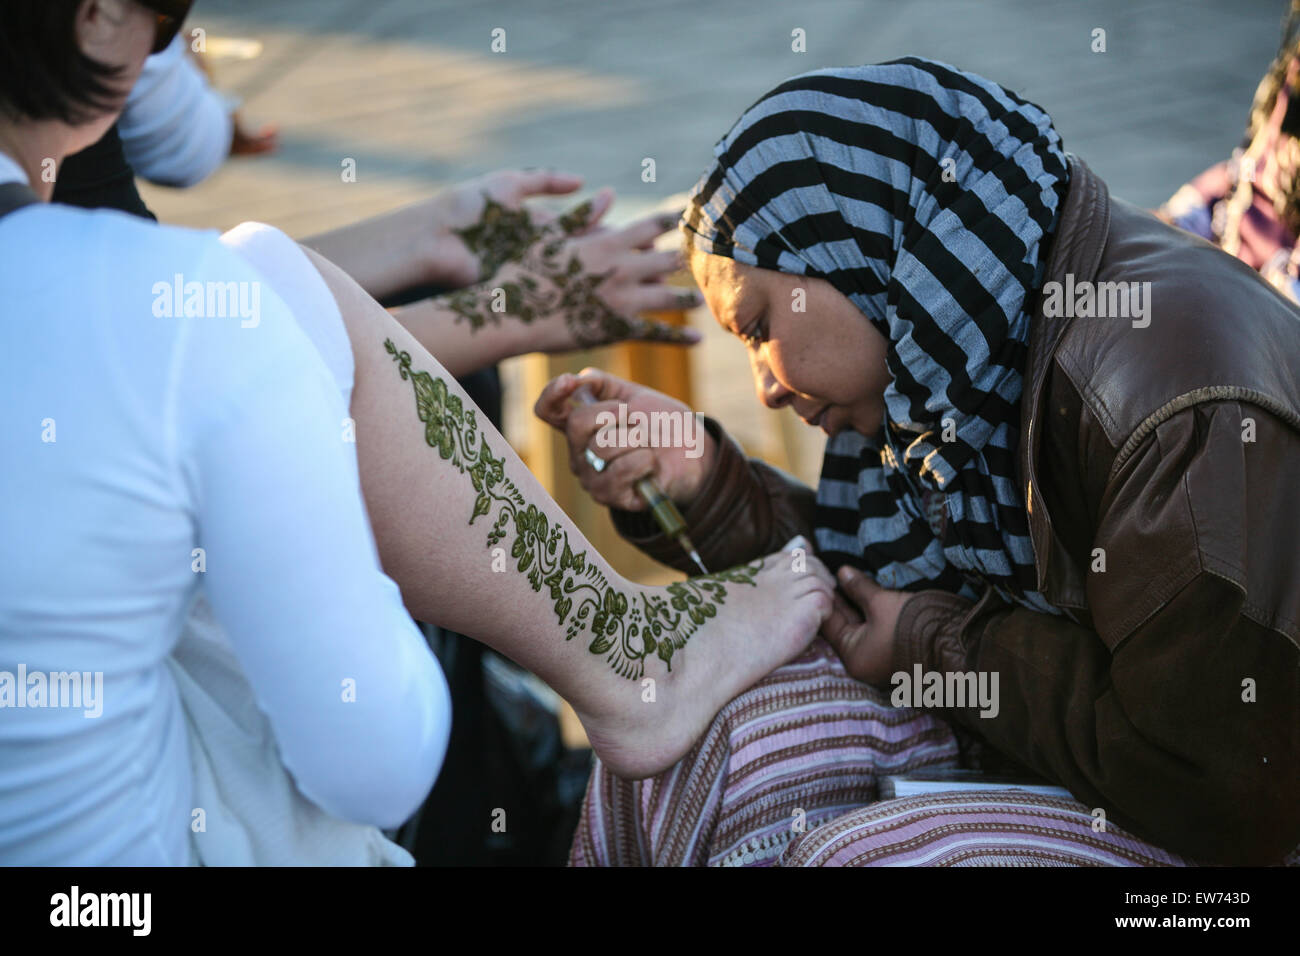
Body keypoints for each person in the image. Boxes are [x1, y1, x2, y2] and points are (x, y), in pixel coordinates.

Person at [0, 0, 834, 864]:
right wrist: (361, 579)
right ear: (99, 15)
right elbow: (378, 769)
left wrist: (435, 242)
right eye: (167, 18)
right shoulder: (182, 311)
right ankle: (629, 660)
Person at [538, 56, 1300, 866]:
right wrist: (705, 483)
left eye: (759, 328)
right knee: (674, 753)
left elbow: (1218, 782)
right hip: (1105, 765)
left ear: (852, 243)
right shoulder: (960, 356)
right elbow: (881, 584)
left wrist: (938, 648)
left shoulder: (1174, 409)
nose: (765, 387)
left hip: (1234, 835)